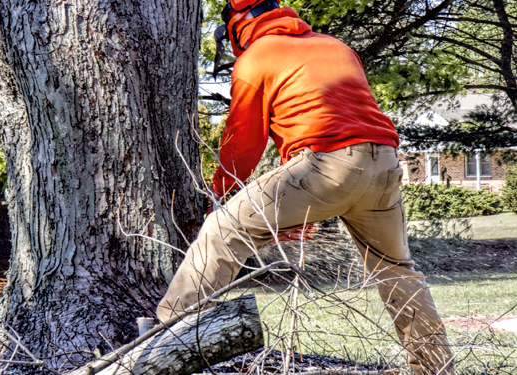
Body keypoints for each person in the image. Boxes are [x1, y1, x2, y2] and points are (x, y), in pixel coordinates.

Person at [155, 1, 454, 374]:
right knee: (396, 270)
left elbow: (242, 145)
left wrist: (217, 196)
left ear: (236, 26)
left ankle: (161, 341)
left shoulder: (257, 58)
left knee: (220, 231)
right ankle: (434, 368)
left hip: (326, 163)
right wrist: (300, 208)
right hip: (385, 164)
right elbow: (328, 119)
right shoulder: (335, 47)